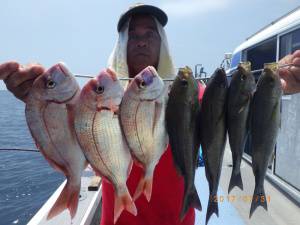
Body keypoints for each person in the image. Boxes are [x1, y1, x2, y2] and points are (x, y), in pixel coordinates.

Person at [0, 3, 300, 225]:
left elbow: (230, 109)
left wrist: (273, 89)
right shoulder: (95, 100)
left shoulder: (189, 94)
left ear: (162, 43)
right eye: (133, 35)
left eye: (150, 34)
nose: (142, 40)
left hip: (179, 218)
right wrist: (39, 99)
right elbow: (70, 132)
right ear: (122, 44)